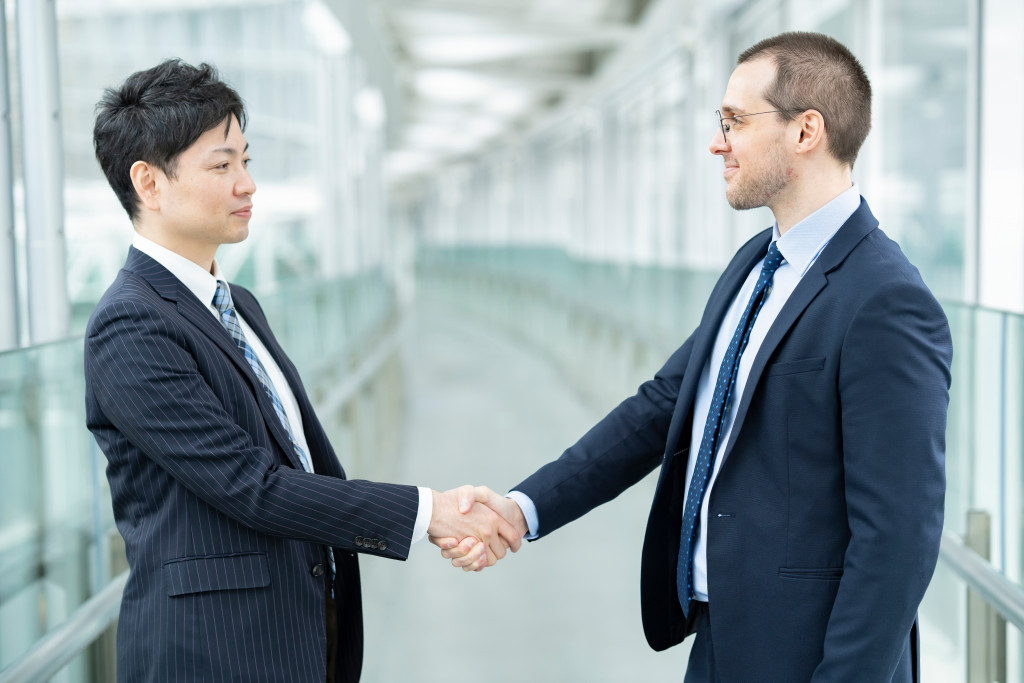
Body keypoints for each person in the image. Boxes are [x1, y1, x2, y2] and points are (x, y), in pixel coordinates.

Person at [437, 31, 952, 682]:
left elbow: (897, 540)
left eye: (734, 122)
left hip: (810, 660)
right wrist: (522, 507)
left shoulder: (886, 300)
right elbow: (658, 409)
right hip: (719, 642)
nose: (718, 143)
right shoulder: (752, 268)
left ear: (806, 131)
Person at [84, 59, 514, 683]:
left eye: (247, 161)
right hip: (211, 655)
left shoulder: (239, 306)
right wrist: (430, 513)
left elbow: (296, 462)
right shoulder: (131, 326)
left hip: (295, 630)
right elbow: (250, 486)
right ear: (148, 183)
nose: (248, 185)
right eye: (222, 165)